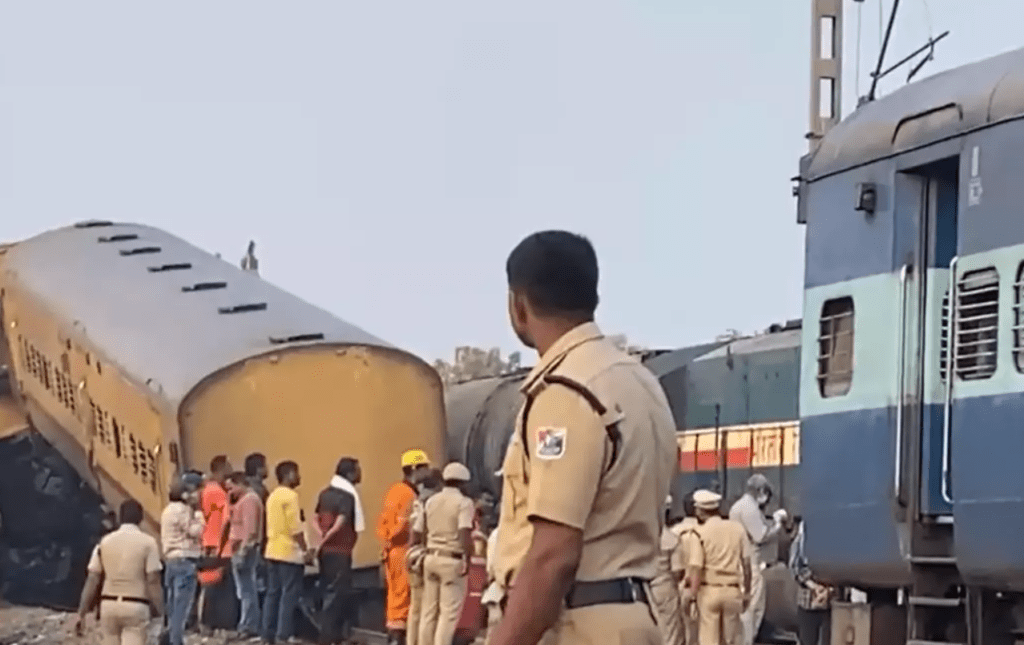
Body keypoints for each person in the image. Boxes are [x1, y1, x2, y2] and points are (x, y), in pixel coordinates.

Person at [488, 230, 677, 645]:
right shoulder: (640, 383)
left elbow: (553, 558)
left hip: (576, 625)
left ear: (518, 304)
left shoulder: (567, 391)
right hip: (634, 617)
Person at [75, 499, 165, 645]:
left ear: (119, 517)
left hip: (108, 605)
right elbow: (153, 580)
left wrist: (81, 613)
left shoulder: (104, 542)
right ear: (141, 519)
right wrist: (162, 611)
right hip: (136, 605)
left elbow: (92, 579)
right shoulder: (148, 543)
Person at [415, 462, 475, 645]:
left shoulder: (431, 501)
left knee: (428, 612)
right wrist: (468, 557)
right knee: (448, 614)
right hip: (451, 560)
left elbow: (422, 531)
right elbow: (464, 533)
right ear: (463, 483)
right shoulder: (464, 503)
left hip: (431, 557)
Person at [376, 449, 431, 644]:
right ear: (416, 469)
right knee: (403, 596)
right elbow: (402, 525)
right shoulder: (408, 494)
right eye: (425, 467)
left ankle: (394, 635)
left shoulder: (394, 490)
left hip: (392, 551)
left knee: (394, 596)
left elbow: (383, 524)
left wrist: (385, 546)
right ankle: (398, 638)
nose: (428, 471)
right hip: (402, 550)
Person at [728, 474, 788, 645]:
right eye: (766, 493)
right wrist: (776, 524)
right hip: (750, 566)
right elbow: (760, 535)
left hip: (742, 562)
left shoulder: (738, 506)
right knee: (752, 609)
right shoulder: (749, 508)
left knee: (750, 608)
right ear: (760, 491)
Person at [685, 490, 750, 645]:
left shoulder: (699, 533)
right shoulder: (737, 529)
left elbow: (696, 568)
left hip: (709, 592)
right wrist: (747, 593)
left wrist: (693, 597)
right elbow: (747, 565)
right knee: (731, 640)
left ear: (700, 511)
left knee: (709, 640)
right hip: (733, 591)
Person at [314, 456, 365, 645]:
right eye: (358, 470)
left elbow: (315, 517)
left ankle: (332, 635)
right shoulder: (346, 496)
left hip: (326, 552)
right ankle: (328, 637)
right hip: (341, 550)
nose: (360, 474)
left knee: (329, 590)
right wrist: (329, 535)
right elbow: (342, 520)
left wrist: (321, 536)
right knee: (337, 594)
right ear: (350, 473)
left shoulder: (324, 494)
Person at [263, 460, 313, 644]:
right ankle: (283, 635)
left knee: (272, 594)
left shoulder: (273, 496)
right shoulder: (291, 496)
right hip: (289, 553)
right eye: (296, 472)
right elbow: (295, 527)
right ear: (289, 474)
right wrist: (306, 550)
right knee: (289, 595)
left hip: (272, 551)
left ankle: (267, 634)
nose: (299, 477)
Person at [160, 479, 205, 645]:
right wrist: (199, 514)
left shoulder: (167, 510)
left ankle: (168, 637)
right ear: (185, 494)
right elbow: (195, 531)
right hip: (184, 560)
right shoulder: (183, 510)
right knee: (182, 606)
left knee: (172, 605)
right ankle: (175, 641)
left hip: (171, 560)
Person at [407, 468, 444, 645]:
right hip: (425, 555)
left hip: (413, 556)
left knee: (415, 609)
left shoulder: (417, 501)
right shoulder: (432, 502)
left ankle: (411, 641)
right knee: (430, 610)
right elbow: (419, 531)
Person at [199, 456, 235, 633]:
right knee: (220, 588)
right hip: (220, 545)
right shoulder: (217, 492)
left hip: (210, 542)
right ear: (220, 468)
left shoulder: (208, 489)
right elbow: (225, 521)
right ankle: (217, 623)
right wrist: (221, 545)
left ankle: (209, 623)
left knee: (212, 586)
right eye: (228, 465)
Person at [226, 471, 264, 639]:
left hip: (245, 552)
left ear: (240, 483)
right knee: (244, 590)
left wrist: (242, 551)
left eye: (231, 487)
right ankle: (248, 623)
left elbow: (250, 530)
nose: (230, 492)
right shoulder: (245, 500)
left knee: (247, 590)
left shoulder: (249, 501)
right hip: (240, 550)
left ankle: (248, 625)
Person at [788, 519, 833, 645]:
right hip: (809, 600)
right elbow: (794, 566)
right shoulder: (805, 530)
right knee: (807, 639)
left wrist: (827, 589)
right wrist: (815, 587)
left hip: (830, 600)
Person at [650, 496, 684, 645]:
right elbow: (677, 571)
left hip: (643, 589)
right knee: (670, 632)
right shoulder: (671, 538)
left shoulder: (643, 536)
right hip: (665, 588)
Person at [671, 491, 701, 645]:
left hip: (677, 588)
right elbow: (697, 566)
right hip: (697, 589)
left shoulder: (673, 532)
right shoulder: (703, 532)